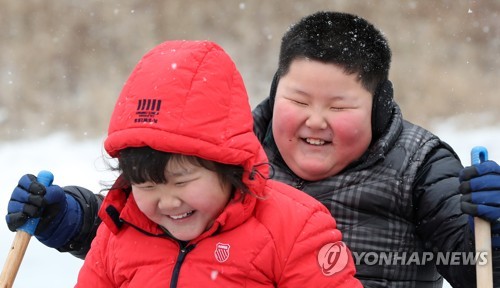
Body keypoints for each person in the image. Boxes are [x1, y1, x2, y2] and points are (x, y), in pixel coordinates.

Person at [6, 11, 500, 287]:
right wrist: (69, 216)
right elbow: (152, 232)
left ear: (377, 104)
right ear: (274, 89)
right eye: (298, 100)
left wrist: (494, 234)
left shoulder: (419, 165)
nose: (314, 121)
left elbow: (476, 269)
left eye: (339, 106)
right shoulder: (226, 147)